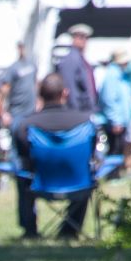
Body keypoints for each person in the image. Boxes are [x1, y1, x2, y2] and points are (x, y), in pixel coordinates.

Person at [11, 72, 94, 239]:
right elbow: (91, 153)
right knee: (86, 171)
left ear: (40, 94)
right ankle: (70, 230)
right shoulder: (85, 122)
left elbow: (23, 156)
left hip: (40, 184)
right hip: (79, 185)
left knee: (22, 175)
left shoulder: (26, 125)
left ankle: (30, 230)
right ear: (65, 93)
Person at [99, 47, 131, 165]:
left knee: (119, 151)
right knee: (114, 152)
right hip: (115, 122)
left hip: (121, 121)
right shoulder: (112, 75)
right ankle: (111, 177)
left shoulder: (121, 74)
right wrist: (115, 120)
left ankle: (115, 176)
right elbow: (108, 99)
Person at [58, 24, 98, 116]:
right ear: (73, 38)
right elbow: (70, 89)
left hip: (86, 110)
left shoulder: (82, 60)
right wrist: (75, 114)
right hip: (78, 112)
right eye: (80, 37)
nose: (84, 41)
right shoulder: (71, 60)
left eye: (86, 38)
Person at [0, 41, 38, 123]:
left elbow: (35, 83)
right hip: (17, 112)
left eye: (23, 47)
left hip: (31, 110)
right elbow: (4, 90)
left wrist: (38, 100)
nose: (22, 50)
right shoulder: (13, 68)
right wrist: (3, 113)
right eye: (20, 48)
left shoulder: (32, 64)